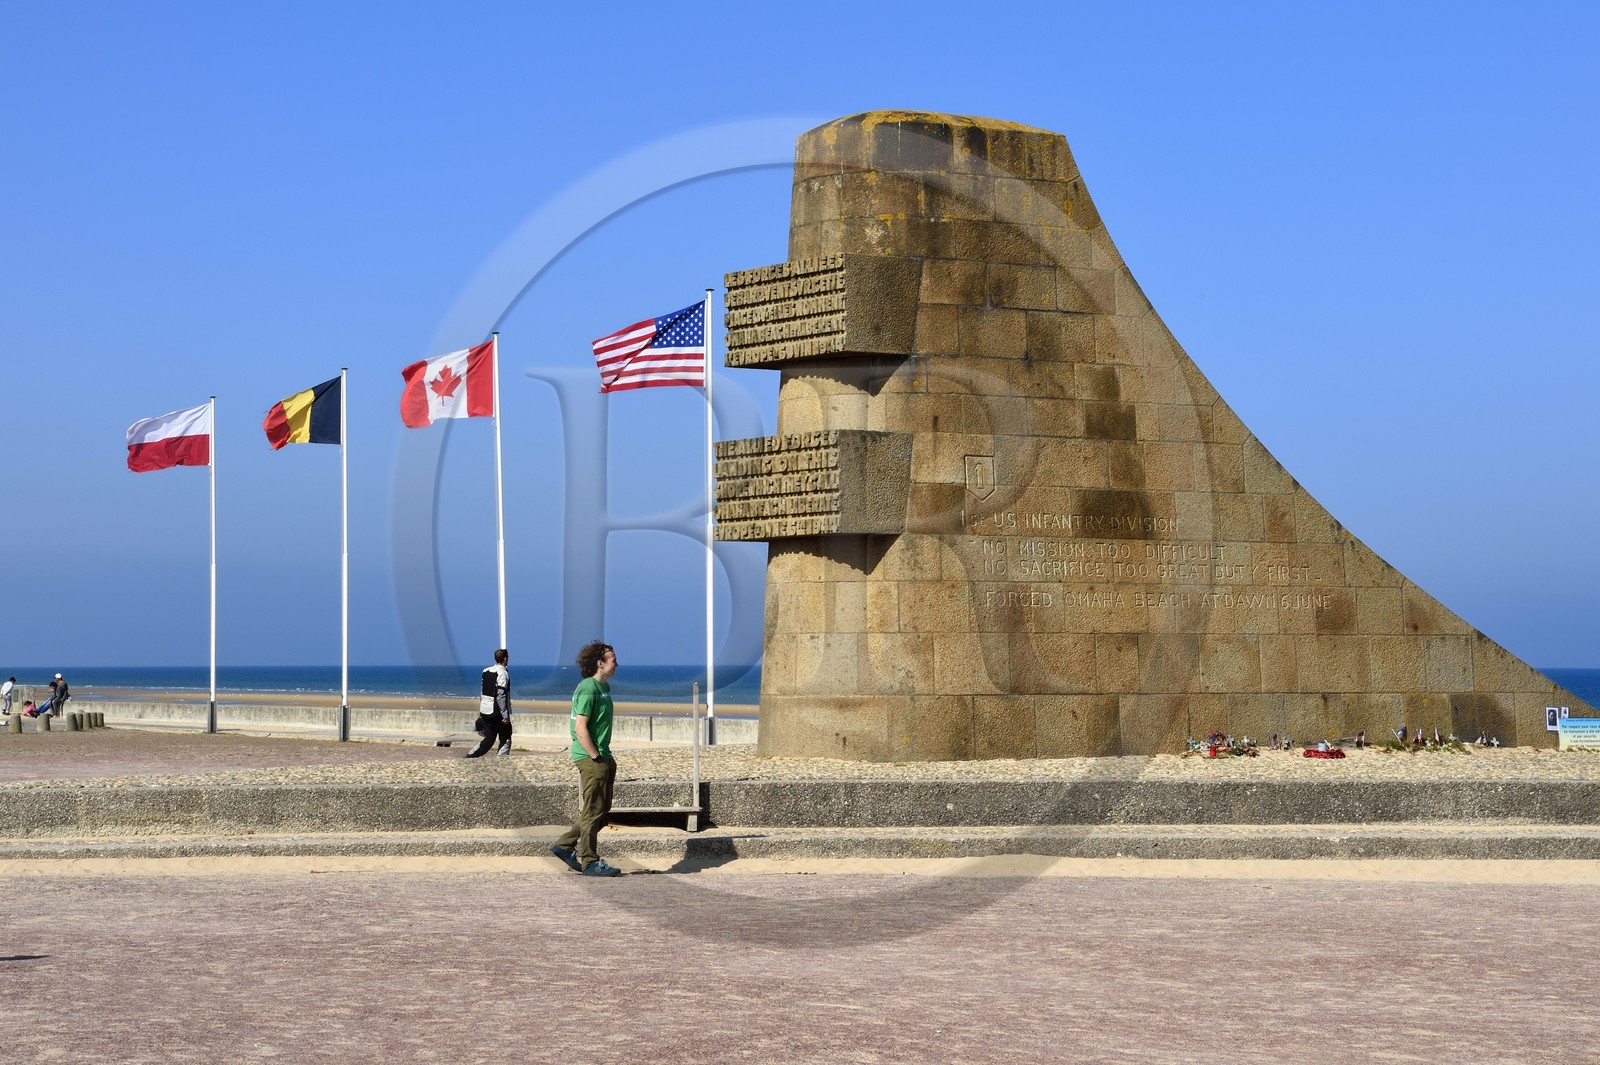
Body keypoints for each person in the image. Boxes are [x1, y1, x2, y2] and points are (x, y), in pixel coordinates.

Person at [550, 641, 621, 877]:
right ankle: (590, 861)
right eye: (613, 659)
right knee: (592, 810)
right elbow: (580, 728)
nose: (617, 663)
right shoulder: (589, 687)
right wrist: (595, 756)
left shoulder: (603, 688)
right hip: (591, 757)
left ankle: (564, 845)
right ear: (600, 663)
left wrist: (605, 757)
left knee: (602, 809)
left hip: (603, 755)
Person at [464, 649, 512, 758]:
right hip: (497, 712)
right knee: (506, 736)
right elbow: (501, 695)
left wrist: (481, 710)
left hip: (485, 710)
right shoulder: (503, 673)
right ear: (505, 659)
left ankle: (470, 756)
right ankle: (502, 760)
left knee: (489, 739)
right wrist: (505, 715)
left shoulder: (486, 671)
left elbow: (482, 692)